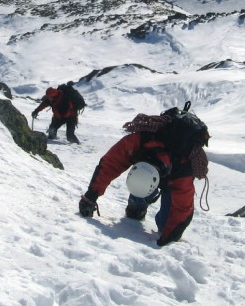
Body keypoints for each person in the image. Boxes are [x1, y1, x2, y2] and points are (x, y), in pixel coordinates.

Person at [78, 105, 210, 247]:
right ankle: (136, 208)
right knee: (136, 202)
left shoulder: (182, 169)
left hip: (173, 174)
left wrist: (170, 236)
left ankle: (158, 221)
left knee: (167, 226)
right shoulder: (137, 142)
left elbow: (183, 208)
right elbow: (109, 165)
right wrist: (91, 195)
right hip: (154, 167)